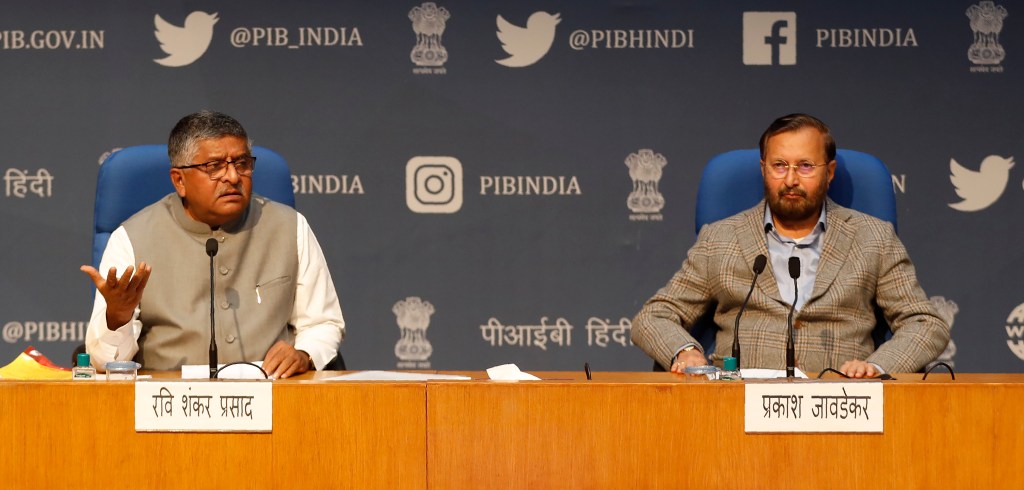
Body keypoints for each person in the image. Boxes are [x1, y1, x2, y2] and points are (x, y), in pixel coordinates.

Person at [631, 113, 949, 377]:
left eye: (805, 166)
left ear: (830, 173)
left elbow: (924, 323)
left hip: (842, 406)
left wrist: (878, 367)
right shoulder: (720, 238)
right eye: (779, 165)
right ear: (763, 169)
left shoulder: (873, 238)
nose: (791, 180)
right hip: (736, 410)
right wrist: (686, 352)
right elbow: (654, 316)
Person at [82, 111, 344, 379]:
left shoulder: (291, 227)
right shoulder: (131, 238)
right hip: (166, 404)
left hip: (273, 398)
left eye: (242, 163)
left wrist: (304, 353)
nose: (232, 176)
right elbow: (105, 362)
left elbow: (323, 323)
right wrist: (119, 318)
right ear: (179, 181)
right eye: (215, 166)